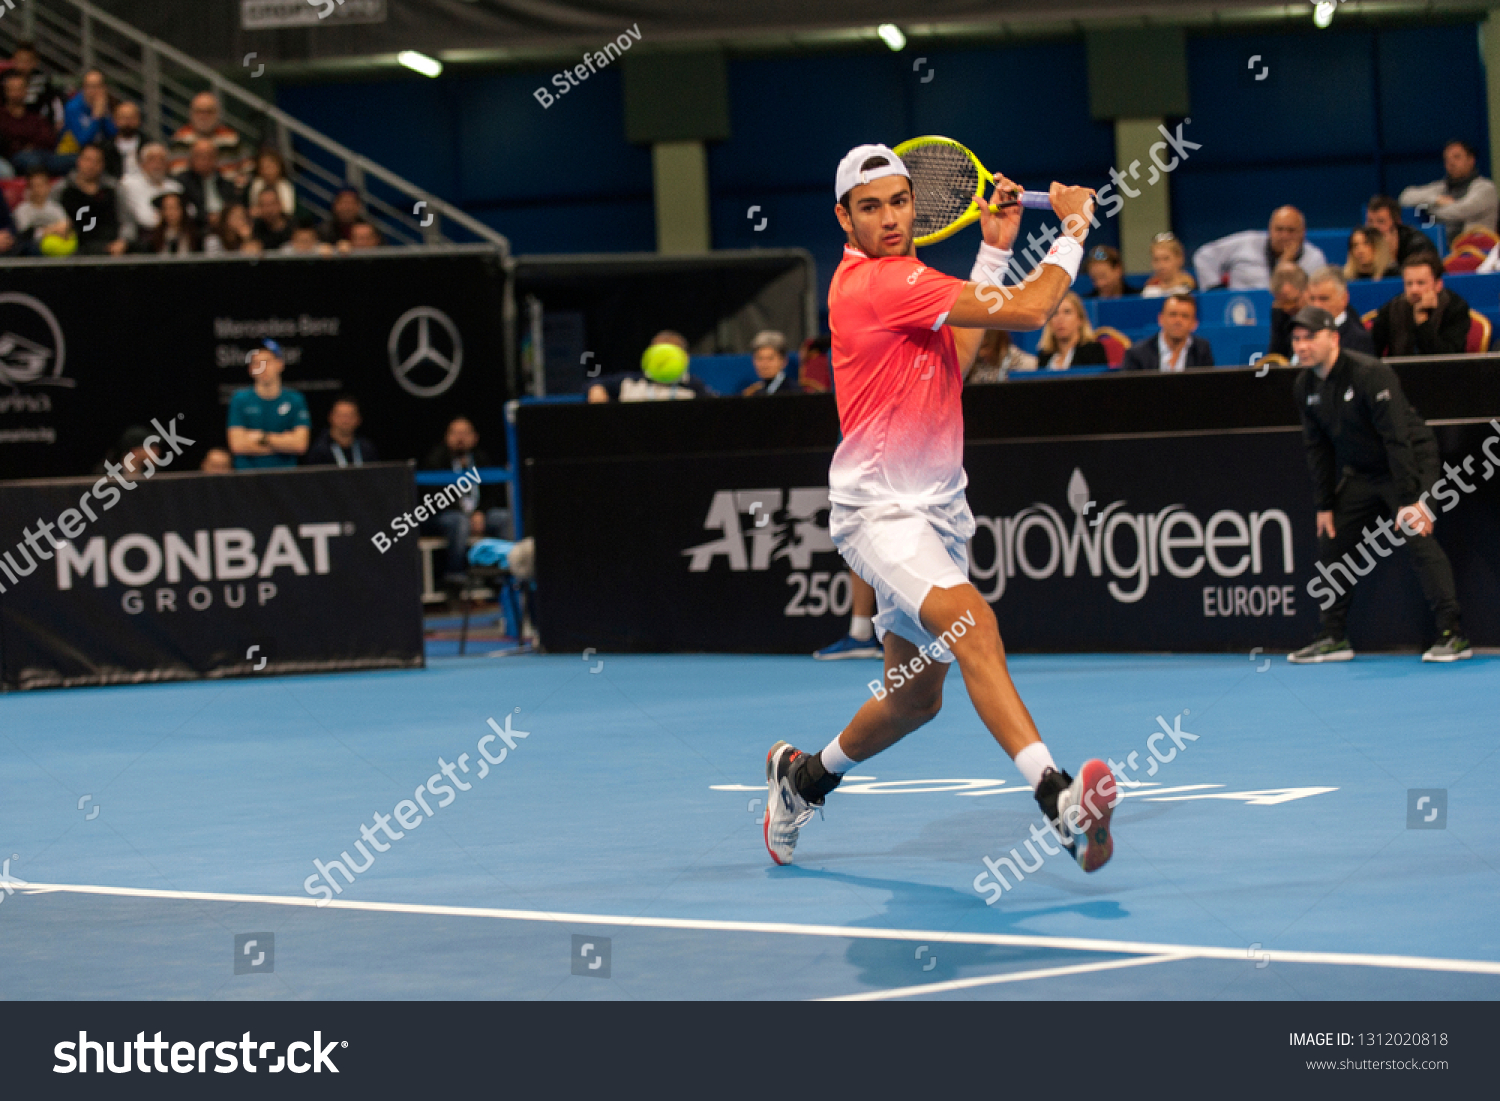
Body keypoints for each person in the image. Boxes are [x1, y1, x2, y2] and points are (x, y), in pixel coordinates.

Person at [763, 142, 1119, 877]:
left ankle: (800, 781)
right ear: (844, 218)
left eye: (899, 201)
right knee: (972, 622)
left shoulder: (908, 279)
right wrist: (1074, 230)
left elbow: (954, 354)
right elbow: (1029, 309)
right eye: (871, 207)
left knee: (914, 699)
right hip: (882, 509)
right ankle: (1059, 803)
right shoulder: (876, 282)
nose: (890, 217)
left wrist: (992, 253)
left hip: (939, 506)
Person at [1287, 306, 1470, 663]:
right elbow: (1317, 449)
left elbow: (1396, 439)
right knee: (1333, 539)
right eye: (1296, 339)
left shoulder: (1370, 373)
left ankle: (1452, 633)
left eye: (1310, 337)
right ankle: (1333, 636)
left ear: (1333, 338)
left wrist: (1410, 499)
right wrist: (1325, 506)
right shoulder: (1304, 386)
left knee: (1417, 536)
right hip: (1363, 473)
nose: (1302, 345)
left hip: (1409, 461)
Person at [422, 416, 512, 586]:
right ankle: (455, 575)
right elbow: (435, 497)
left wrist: (481, 512)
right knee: (459, 521)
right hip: (446, 515)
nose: (460, 438)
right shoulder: (436, 459)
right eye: (455, 433)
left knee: (504, 517)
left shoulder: (481, 459)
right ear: (447, 437)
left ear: (474, 437)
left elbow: (492, 494)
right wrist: (466, 514)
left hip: (477, 512)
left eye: (464, 433)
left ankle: (502, 572)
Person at [1192, 206, 1328, 290]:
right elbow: (1203, 256)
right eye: (1279, 229)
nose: (1284, 236)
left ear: (1302, 233)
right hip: (1241, 311)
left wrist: (1285, 264)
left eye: (1291, 230)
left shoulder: (1314, 258)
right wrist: (1217, 292)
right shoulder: (1247, 242)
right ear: (1269, 229)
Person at [226, 341, 311, 470]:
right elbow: (237, 445)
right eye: (257, 363)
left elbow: (300, 445)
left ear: (280, 364)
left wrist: (262, 438)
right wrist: (284, 442)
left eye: (267, 362)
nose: (262, 367)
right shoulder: (240, 399)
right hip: (247, 478)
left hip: (285, 477)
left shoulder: (295, 399)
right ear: (250, 369)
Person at [1368, 253, 1470, 357]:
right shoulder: (1391, 309)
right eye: (1409, 284)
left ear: (1438, 285)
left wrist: (1422, 321)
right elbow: (1370, 352)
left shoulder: (1455, 308)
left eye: (1421, 283)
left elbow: (1448, 357)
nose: (1414, 290)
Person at [1397, 140, 1497, 236]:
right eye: (1447, 159)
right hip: (1442, 247)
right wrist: (1436, 200)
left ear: (1471, 160)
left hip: (1476, 249)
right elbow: (1405, 196)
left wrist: (1428, 208)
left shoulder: (1486, 188)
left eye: (1457, 157)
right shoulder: (1442, 187)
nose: (1451, 163)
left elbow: (1461, 211)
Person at [587, 331, 714, 402]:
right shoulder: (629, 381)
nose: (663, 361)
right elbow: (594, 382)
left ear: (685, 358)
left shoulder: (694, 387)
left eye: (669, 356)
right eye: (659, 355)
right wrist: (596, 388)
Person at [54, 143, 129, 255]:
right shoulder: (62, 188)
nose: (91, 165)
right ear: (79, 161)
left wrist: (123, 241)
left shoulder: (114, 189)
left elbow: (127, 221)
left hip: (111, 245)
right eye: (88, 160)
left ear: (103, 164)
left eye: (97, 161)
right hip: (75, 246)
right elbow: (50, 216)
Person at [168, 91, 252, 183]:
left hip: (228, 191)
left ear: (217, 114)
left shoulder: (231, 138)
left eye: (209, 111)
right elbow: (175, 173)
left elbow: (248, 168)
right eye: (199, 111)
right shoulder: (180, 139)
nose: (204, 116)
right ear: (191, 113)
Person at [0, 70, 70, 177]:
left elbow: (49, 138)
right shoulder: (2, 117)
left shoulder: (35, 116)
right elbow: (6, 144)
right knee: (33, 163)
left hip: (43, 155)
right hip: (16, 157)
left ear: (26, 90)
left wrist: (29, 145)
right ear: (6, 91)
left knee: (76, 161)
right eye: (13, 89)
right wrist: (23, 146)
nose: (17, 93)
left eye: (20, 88)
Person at [1121, 294, 1214, 371]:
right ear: (1160, 319)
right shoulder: (1137, 354)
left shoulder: (1202, 351)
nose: (1178, 321)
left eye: (1185, 316)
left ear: (1194, 324)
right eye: (1173, 314)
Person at [1302, 267, 1375, 356]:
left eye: (1324, 299)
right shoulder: (1300, 335)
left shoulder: (1359, 340)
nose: (1316, 305)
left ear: (1344, 299)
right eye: (1312, 299)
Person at [174, 137, 241, 232]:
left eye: (209, 156)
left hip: (226, 227)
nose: (205, 160)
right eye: (200, 156)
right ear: (192, 158)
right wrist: (207, 217)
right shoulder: (183, 182)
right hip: (198, 228)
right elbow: (186, 210)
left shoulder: (225, 182)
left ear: (216, 158)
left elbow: (234, 205)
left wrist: (222, 217)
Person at [120, 142, 182, 233]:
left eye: (161, 160)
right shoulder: (128, 185)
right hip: (144, 235)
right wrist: (170, 217)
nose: (157, 164)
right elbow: (145, 219)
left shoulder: (175, 187)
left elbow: (190, 213)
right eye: (152, 159)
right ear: (142, 163)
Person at [9, 166, 72, 254]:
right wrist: (51, 230)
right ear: (28, 188)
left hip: (56, 247)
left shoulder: (56, 208)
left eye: (41, 185)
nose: (38, 190)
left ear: (48, 186)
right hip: (32, 250)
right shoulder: (21, 210)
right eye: (34, 186)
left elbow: (64, 226)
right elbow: (25, 235)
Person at [1036, 292, 1107, 369]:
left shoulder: (1093, 351)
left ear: (1080, 319)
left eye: (1067, 312)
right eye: (1055, 313)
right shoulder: (1044, 356)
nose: (1060, 319)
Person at [304, 394, 379, 466]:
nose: (345, 420)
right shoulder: (319, 450)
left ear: (359, 419)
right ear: (330, 417)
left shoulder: (367, 448)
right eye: (341, 415)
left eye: (350, 416)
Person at [56, 68, 115, 156]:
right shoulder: (72, 107)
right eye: (90, 86)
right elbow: (82, 140)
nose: (93, 91)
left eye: (98, 86)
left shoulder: (105, 103)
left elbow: (113, 134)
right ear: (83, 88)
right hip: (73, 153)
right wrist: (96, 117)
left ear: (104, 88)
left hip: (100, 152)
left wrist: (105, 114)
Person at [1364, 195, 1436, 268]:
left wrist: (1391, 259)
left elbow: (1414, 277)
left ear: (1397, 223)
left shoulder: (1418, 246)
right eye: (1370, 222)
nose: (1374, 228)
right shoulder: (1363, 243)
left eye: (1381, 221)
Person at [5, 42, 63, 127]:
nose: (22, 66)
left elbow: (54, 105)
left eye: (26, 61)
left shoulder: (43, 81)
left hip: (34, 128)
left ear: (35, 62)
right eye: (19, 60)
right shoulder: (5, 79)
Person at [1265, 263, 1309, 359]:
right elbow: (1275, 354)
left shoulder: (1320, 314)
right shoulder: (1279, 312)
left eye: (1292, 301)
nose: (1287, 308)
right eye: (1282, 302)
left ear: (1307, 291)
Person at [741, 330, 803, 395]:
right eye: (760, 358)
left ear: (783, 361)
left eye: (770, 359)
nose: (764, 364)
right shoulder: (755, 392)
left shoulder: (794, 391)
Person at [963, 329, 1038, 382]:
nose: (981, 354)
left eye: (985, 346)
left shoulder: (1025, 364)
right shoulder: (972, 364)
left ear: (998, 343)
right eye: (977, 348)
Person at [1139, 232, 1196, 297]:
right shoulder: (1149, 291)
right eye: (1156, 260)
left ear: (1179, 259)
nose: (1161, 265)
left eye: (1166, 259)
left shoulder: (1191, 289)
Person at [245, 148, 295, 217]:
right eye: (263, 167)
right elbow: (253, 208)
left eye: (270, 167)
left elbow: (288, 211)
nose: (267, 171)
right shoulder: (256, 184)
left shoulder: (285, 186)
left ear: (279, 167)